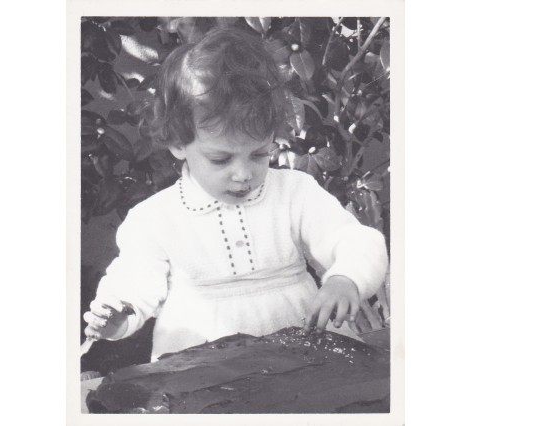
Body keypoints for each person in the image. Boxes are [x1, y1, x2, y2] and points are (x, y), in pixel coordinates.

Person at [83, 26, 388, 361]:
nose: (244, 174)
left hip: (303, 353)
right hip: (200, 363)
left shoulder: (294, 193)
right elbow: (134, 279)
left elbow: (357, 240)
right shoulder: (156, 218)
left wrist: (347, 277)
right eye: (221, 158)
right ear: (177, 143)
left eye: (259, 154)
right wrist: (117, 313)